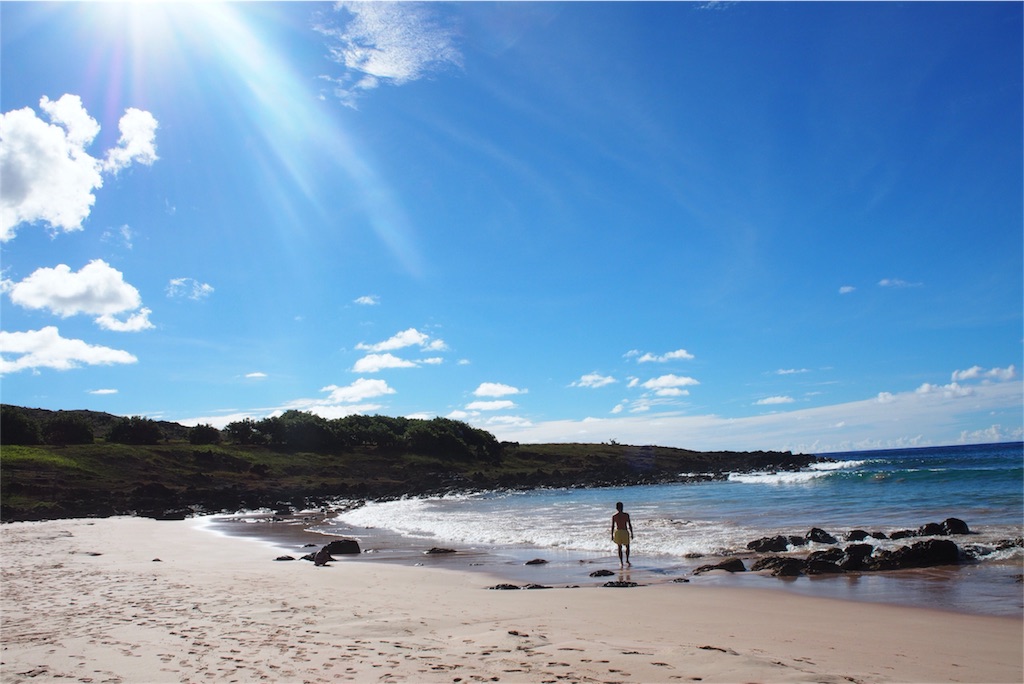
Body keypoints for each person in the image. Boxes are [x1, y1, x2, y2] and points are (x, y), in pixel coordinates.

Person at [610, 501, 634, 567]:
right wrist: (632, 533)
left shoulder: (614, 516)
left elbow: (612, 526)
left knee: (619, 547)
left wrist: (611, 535)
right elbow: (629, 525)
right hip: (624, 531)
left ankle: (621, 561)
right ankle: (627, 560)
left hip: (618, 532)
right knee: (627, 546)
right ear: (622, 507)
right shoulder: (626, 515)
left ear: (616, 508)